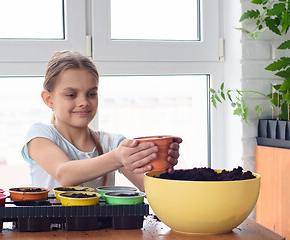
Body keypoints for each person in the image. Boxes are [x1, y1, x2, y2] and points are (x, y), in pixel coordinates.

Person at [21, 50, 182, 192]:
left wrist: (163, 163)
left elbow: (149, 186)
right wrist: (118, 158)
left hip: (101, 227)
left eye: (91, 94)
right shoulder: (40, 135)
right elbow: (65, 174)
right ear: (48, 99)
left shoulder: (113, 143)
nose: (83, 101)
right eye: (71, 95)